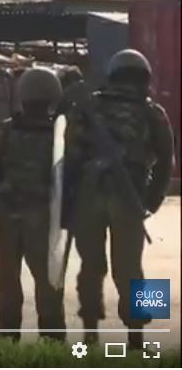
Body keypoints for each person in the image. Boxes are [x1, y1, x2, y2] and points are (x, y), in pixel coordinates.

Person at [65, 49, 175, 348]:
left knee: (90, 266)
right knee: (132, 269)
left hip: (89, 193)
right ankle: (138, 338)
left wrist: (67, 202)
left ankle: (89, 334)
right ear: (144, 78)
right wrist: (151, 202)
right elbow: (166, 162)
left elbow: (70, 158)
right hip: (129, 199)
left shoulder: (88, 107)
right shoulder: (153, 112)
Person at [0, 67, 67, 342]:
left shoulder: (4, 130)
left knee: (7, 282)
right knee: (48, 281)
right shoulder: (61, 134)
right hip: (43, 218)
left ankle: (7, 334)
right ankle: (51, 338)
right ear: (53, 96)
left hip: (7, 217)